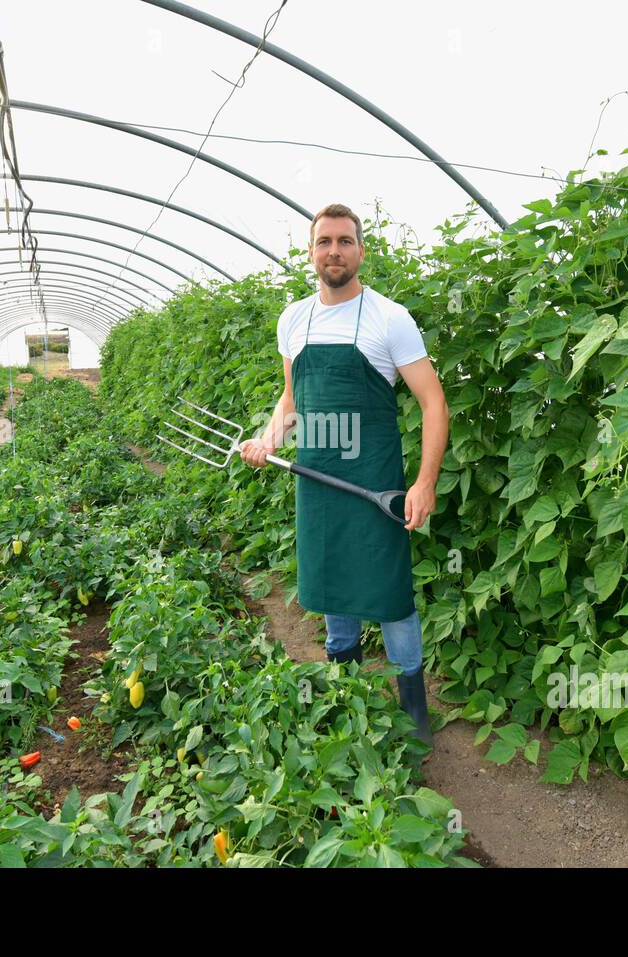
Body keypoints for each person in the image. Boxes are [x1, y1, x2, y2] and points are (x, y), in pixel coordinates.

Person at [240, 203, 449, 748]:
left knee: (391, 592)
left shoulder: (389, 318)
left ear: (360, 251)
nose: (334, 250)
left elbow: (432, 402)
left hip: (375, 481)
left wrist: (424, 482)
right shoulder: (294, 319)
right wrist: (269, 439)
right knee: (333, 586)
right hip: (319, 479)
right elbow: (292, 398)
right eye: (324, 241)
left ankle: (413, 708)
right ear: (311, 251)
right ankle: (345, 696)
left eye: (345, 241)